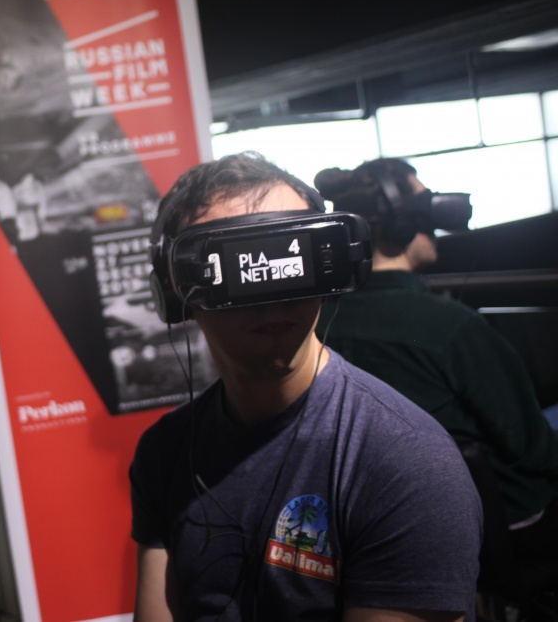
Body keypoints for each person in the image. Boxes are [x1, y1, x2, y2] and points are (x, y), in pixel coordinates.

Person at [130, 152, 481, 621]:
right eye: (238, 269)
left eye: (291, 259)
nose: (272, 298)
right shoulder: (165, 451)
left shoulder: (406, 464)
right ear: (176, 290)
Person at [313, 158, 558, 563]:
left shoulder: (317, 322)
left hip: (393, 524)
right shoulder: (452, 327)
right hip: (510, 524)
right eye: (425, 205)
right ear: (400, 225)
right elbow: (532, 449)